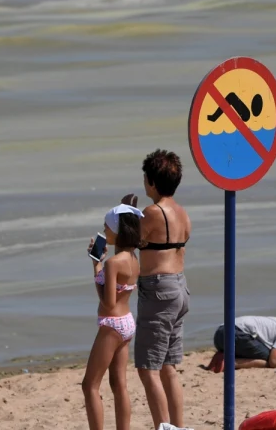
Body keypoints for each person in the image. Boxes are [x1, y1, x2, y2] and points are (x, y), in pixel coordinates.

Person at [136, 149, 192, 430]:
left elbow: (128, 239)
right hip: (180, 287)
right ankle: (177, 426)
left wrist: (125, 210)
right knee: (169, 366)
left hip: (159, 289)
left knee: (148, 367)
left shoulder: (153, 211)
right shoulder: (182, 213)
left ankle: (164, 427)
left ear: (152, 183)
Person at [82, 195, 143, 430]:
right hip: (127, 322)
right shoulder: (133, 258)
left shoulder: (113, 263)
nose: (104, 231)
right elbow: (118, 294)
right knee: (119, 385)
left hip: (112, 325)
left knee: (90, 386)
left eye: (106, 226)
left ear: (116, 230)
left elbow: (107, 303)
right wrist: (98, 266)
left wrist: (98, 267)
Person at [206, 312, 276, 371]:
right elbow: (274, 360)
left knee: (264, 351)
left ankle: (223, 356)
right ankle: (229, 363)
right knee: (267, 359)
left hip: (220, 333)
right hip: (235, 334)